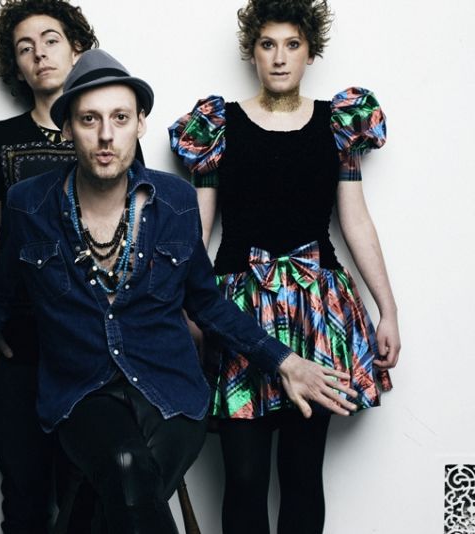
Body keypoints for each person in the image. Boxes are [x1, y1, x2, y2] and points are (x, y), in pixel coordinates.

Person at [0, 48, 358, 534]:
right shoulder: (29, 205)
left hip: (171, 391)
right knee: (126, 467)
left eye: (120, 118)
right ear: (67, 128)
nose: (106, 135)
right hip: (82, 393)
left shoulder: (176, 200)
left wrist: (284, 361)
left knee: (122, 491)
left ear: (139, 124)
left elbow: (206, 302)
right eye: (90, 119)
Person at [169, 1, 400, 533]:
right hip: (237, 309)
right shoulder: (218, 126)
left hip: (316, 310)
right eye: (268, 45)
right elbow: (197, 231)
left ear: (310, 52)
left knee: (302, 474)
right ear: (252, 52)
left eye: (292, 45)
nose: (279, 58)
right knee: (244, 477)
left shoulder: (338, 125)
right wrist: (187, 312)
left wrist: (387, 310)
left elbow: (356, 222)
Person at [0, 2, 98, 531]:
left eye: (50, 40)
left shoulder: (104, 132)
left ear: (76, 49)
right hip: (17, 343)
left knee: (85, 496)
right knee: (23, 498)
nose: (39, 54)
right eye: (25, 48)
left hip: (89, 344)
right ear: (17, 68)